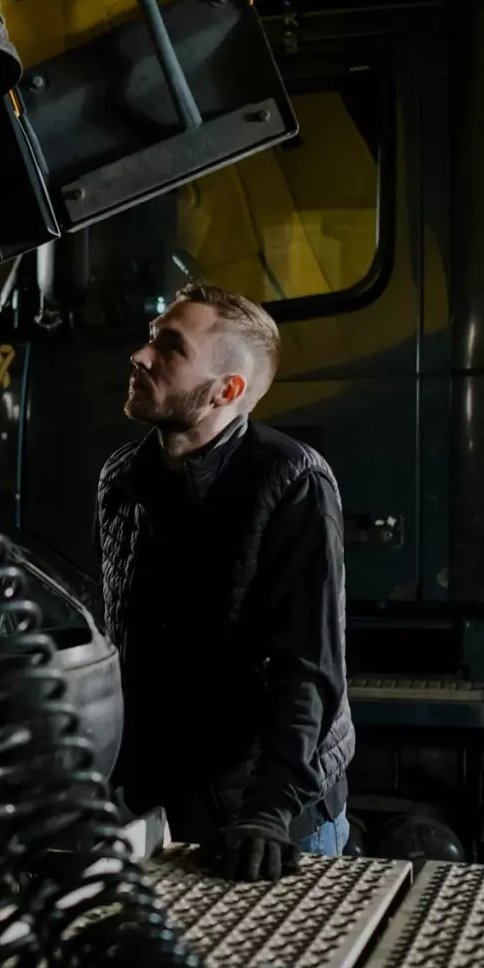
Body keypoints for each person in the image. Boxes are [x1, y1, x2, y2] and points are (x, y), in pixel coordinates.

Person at [95, 283, 354, 882]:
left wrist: (269, 811)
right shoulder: (122, 477)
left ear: (226, 391)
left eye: (170, 347)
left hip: (271, 823)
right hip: (167, 813)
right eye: (150, 338)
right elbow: (127, 642)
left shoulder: (290, 479)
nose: (140, 355)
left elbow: (307, 668)